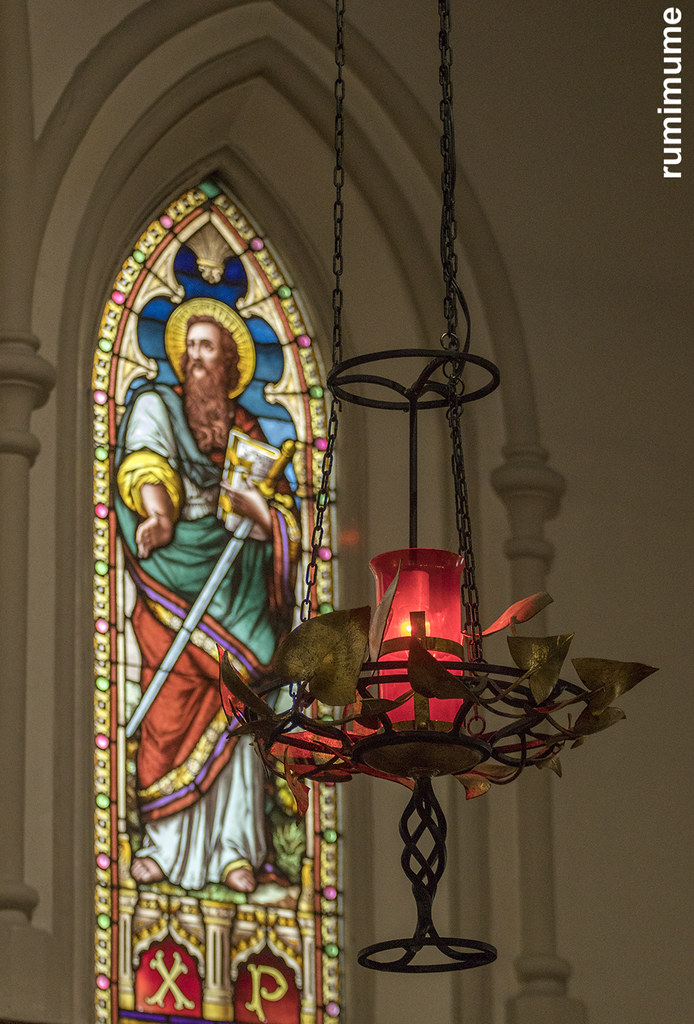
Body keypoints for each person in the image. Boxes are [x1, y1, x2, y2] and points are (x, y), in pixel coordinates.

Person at [115, 305, 299, 892]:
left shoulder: (248, 431)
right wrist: (160, 515)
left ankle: (235, 850)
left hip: (240, 586)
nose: (196, 357)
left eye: (208, 347)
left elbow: (287, 515)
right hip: (176, 575)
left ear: (230, 364)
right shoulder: (157, 405)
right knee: (170, 705)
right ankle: (163, 848)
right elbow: (144, 456)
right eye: (189, 346)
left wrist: (263, 516)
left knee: (240, 703)